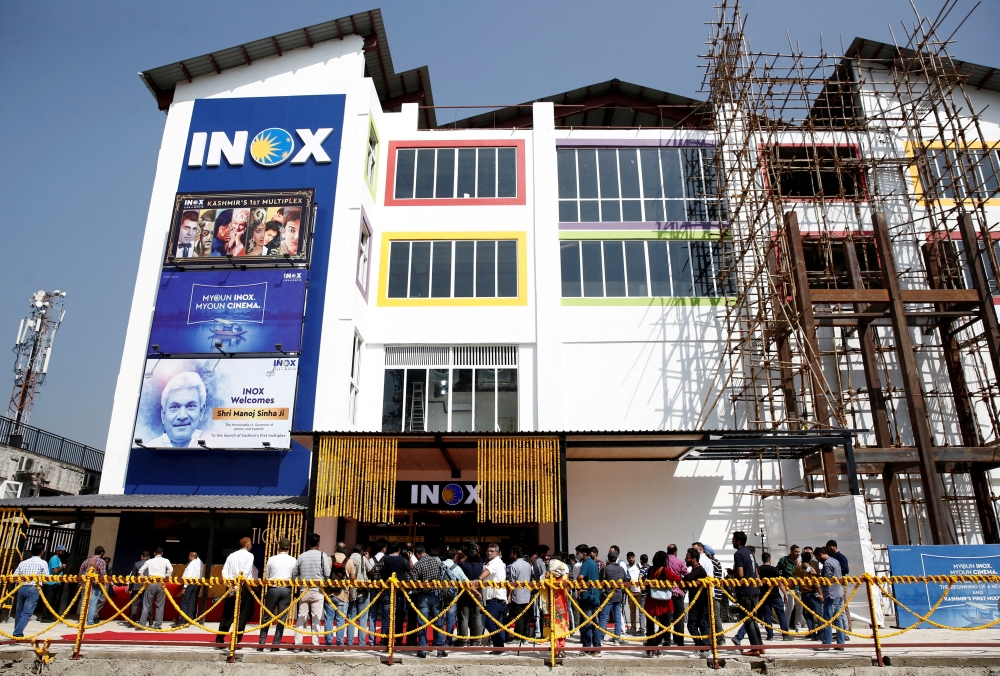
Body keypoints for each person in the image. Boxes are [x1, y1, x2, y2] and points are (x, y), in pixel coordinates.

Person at [737, 552, 789, 642]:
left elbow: (757, 581)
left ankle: (770, 635)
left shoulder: (759, 569)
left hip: (764, 595)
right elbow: (780, 583)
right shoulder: (774, 569)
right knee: (781, 614)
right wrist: (785, 593)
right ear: (770, 560)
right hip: (775, 595)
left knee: (767, 615)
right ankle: (785, 635)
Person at [727, 531, 763, 657]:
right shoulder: (750, 553)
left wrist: (732, 572)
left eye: (733, 539)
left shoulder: (738, 554)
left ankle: (755, 649)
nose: (732, 541)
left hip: (744, 591)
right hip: (753, 590)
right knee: (753, 620)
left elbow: (741, 574)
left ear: (738, 541)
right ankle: (760, 646)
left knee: (748, 620)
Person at [290, 533, 329, 650]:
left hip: (303, 590)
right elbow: (327, 574)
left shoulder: (302, 556)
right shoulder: (323, 555)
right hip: (317, 590)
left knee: (301, 617)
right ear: (318, 544)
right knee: (316, 617)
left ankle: (298, 644)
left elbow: (294, 573)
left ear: (308, 543)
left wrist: (300, 581)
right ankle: (315, 644)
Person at [149, 371, 206, 448]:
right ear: (163, 414)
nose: (182, 416)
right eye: (174, 407)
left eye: (191, 406)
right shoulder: (144, 452)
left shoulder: (214, 453)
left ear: (201, 412)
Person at [215, 537, 255, 647]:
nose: (251, 546)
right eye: (250, 544)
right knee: (242, 614)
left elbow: (225, 570)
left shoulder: (231, 555)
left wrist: (229, 585)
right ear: (247, 545)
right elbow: (245, 572)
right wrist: (238, 586)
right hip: (242, 586)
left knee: (227, 612)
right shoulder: (249, 556)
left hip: (230, 585)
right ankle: (236, 640)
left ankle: (220, 638)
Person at [409, 545, 447, 658]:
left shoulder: (418, 564)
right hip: (435, 594)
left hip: (423, 595)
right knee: (438, 622)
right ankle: (441, 648)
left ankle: (422, 649)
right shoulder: (436, 561)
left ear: (417, 554)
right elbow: (441, 576)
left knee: (422, 623)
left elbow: (414, 580)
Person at [643, 550, 682, 657]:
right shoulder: (665, 570)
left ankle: (651, 647)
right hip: (663, 601)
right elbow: (677, 578)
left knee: (650, 626)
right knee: (665, 626)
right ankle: (654, 645)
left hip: (651, 599)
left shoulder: (650, 569)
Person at [258, 537, 295, 649]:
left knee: (266, 617)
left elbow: (267, 575)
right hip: (286, 589)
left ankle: (262, 643)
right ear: (289, 548)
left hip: (273, 588)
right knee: (282, 618)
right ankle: (276, 644)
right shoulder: (293, 560)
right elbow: (294, 576)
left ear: (279, 547)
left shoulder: (272, 559)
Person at [323, 541, 356, 647]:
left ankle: (328, 643)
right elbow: (353, 578)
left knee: (329, 619)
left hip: (329, 593)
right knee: (340, 620)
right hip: (343, 594)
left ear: (335, 549)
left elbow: (325, 575)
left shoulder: (329, 559)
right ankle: (339, 643)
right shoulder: (349, 561)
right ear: (345, 550)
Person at [12, 542, 48, 637]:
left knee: (19, 611)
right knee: (27, 613)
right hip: (33, 588)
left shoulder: (23, 563)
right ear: (41, 551)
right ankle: (17, 632)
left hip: (22, 587)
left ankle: (17, 630)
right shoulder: (43, 563)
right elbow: (46, 578)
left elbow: (15, 576)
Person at [379, 541, 411, 646]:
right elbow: (411, 571)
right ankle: (398, 640)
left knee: (386, 617)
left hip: (387, 590)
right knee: (399, 618)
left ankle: (384, 640)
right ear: (399, 550)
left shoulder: (385, 559)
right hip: (400, 592)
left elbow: (381, 572)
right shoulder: (403, 560)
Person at [539, 557, 571, 658]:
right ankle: (560, 648)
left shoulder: (545, 579)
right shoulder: (564, 578)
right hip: (561, 607)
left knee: (553, 628)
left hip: (550, 608)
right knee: (561, 627)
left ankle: (555, 650)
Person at [479, 542, 508, 654]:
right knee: (497, 623)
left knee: (489, 623)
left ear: (497, 553)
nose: (489, 553)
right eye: (488, 551)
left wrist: (479, 578)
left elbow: (488, 571)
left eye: (492, 551)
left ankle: (498, 645)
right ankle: (499, 647)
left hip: (495, 598)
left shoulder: (496, 562)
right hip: (493, 597)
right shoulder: (492, 562)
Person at [815, 547, 845, 649]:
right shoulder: (835, 561)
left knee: (827, 620)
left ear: (821, 554)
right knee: (838, 620)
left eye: (818, 557)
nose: (818, 560)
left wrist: (817, 576)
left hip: (831, 594)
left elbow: (827, 579)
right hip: (839, 592)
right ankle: (841, 643)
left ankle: (827, 643)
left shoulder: (827, 563)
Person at [575, 544, 602, 654]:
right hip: (595, 595)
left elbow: (581, 577)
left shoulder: (585, 563)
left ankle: (586, 648)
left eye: (578, 553)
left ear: (583, 553)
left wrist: (578, 584)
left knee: (587, 623)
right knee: (595, 622)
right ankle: (596, 647)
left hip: (587, 596)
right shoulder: (594, 563)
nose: (577, 555)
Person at [455, 543, 483, 646]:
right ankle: (477, 640)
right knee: (477, 617)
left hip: (465, 593)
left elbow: (457, 564)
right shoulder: (480, 565)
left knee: (464, 617)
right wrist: (475, 553)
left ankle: (464, 641)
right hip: (478, 593)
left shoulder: (463, 565)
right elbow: (479, 559)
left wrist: (467, 555)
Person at [683, 548, 710, 653]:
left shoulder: (698, 570)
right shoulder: (696, 569)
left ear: (694, 559)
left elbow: (688, 578)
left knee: (697, 624)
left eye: (688, 558)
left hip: (700, 603)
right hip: (696, 602)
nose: (686, 559)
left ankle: (703, 647)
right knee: (697, 624)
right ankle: (701, 647)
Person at [138, 546, 172, 629]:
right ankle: (157, 625)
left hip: (151, 583)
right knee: (160, 606)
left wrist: (143, 581)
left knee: (146, 605)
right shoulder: (166, 560)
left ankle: (142, 624)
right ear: (162, 553)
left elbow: (140, 571)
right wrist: (165, 578)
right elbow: (170, 569)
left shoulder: (150, 561)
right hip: (161, 583)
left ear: (154, 553)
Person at [347, 543, 374, 647]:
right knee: (363, 618)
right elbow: (370, 570)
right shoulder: (362, 558)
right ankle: (361, 643)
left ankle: (350, 642)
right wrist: (366, 558)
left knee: (351, 618)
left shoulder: (348, 559)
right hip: (362, 591)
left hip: (351, 591)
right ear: (362, 551)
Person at [506, 545, 533, 644]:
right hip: (527, 593)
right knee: (525, 616)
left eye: (512, 553)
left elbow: (512, 582)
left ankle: (518, 637)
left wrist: (509, 595)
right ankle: (525, 637)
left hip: (517, 594)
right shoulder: (528, 565)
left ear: (515, 555)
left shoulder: (514, 565)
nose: (511, 555)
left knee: (518, 617)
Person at [440, 546, 467, 646]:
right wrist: (476, 592)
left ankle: (439, 640)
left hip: (440, 594)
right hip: (452, 595)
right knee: (450, 619)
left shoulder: (440, 564)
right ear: (455, 556)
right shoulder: (456, 568)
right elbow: (466, 581)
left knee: (439, 618)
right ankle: (448, 640)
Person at [794, 551, 823, 640]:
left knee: (808, 614)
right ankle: (821, 633)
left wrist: (798, 564)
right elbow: (815, 582)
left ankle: (812, 632)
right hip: (812, 592)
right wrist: (821, 594)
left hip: (803, 593)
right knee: (819, 614)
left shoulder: (798, 568)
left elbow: (794, 573)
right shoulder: (811, 569)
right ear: (810, 559)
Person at [601, 551, 628, 644]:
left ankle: (601, 637)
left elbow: (601, 580)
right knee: (617, 618)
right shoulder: (621, 569)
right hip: (618, 595)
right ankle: (617, 638)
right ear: (617, 558)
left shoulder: (606, 568)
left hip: (608, 595)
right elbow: (625, 579)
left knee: (604, 617)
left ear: (608, 558)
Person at [666, 544, 689, 646]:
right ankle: (679, 641)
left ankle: (667, 640)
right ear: (675, 552)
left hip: (666, 593)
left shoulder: (664, 562)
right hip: (678, 592)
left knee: (666, 617)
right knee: (679, 618)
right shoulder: (680, 562)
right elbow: (686, 574)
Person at [79, 546, 108, 626]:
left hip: (85, 584)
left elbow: (80, 572)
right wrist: (105, 585)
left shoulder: (87, 560)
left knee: (84, 602)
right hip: (95, 585)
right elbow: (103, 575)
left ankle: (82, 620)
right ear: (102, 553)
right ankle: (90, 621)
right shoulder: (101, 562)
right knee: (93, 603)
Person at [777, 545, 803, 630]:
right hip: (789, 587)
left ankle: (798, 626)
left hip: (798, 587)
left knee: (799, 608)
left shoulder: (800, 562)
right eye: (796, 552)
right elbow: (777, 571)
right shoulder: (784, 560)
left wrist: (799, 565)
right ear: (791, 551)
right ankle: (786, 626)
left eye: (798, 552)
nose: (797, 553)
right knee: (789, 607)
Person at [40, 544, 66, 623]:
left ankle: (51, 615)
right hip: (51, 582)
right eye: (62, 551)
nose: (63, 552)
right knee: (49, 600)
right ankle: (45, 616)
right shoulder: (54, 559)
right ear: (58, 551)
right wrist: (63, 567)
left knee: (55, 600)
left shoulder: (59, 559)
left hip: (57, 582)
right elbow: (55, 571)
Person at [703, 545, 724, 636]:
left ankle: (720, 637)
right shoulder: (716, 561)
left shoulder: (711, 562)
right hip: (717, 592)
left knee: (715, 616)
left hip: (715, 592)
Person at [178, 550, 203, 625]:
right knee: (191, 602)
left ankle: (183, 620)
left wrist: (184, 587)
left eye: (189, 555)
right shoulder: (200, 563)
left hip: (189, 584)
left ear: (191, 556)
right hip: (196, 584)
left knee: (185, 602)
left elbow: (188, 576)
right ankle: (189, 619)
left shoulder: (192, 564)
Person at [124, 551, 149, 624]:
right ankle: (142, 621)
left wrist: (130, 587)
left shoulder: (137, 564)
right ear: (148, 556)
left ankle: (132, 620)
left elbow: (133, 576)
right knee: (145, 604)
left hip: (137, 586)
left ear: (141, 556)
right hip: (147, 586)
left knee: (134, 604)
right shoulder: (150, 564)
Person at [531, 545, 550, 639]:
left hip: (539, 588)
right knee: (541, 611)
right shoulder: (540, 563)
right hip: (541, 589)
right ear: (542, 553)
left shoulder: (537, 561)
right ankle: (540, 632)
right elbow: (544, 576)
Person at [624, 552, 643, 635]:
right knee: (632, 611)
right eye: (629, 558)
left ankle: (642, 628)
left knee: (641, 611)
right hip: (630, 593)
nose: (631, 559)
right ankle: (633, 627)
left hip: (639, 592)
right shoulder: (626, 567)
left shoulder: (639, 566)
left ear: (634, 558)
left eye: (632, 558)